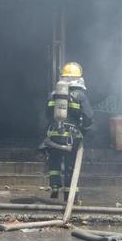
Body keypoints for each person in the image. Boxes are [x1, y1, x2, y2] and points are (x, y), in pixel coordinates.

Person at [43, 62, 93, 201]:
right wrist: (84, 130)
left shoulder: (53, 94)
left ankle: (54, 187)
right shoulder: (80, 95)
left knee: (54, 162)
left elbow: (47, 114)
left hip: (53, 135)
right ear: (79, 79)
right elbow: (88, 116)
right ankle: (70, 195)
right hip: (71, 136)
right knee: (70, 165)